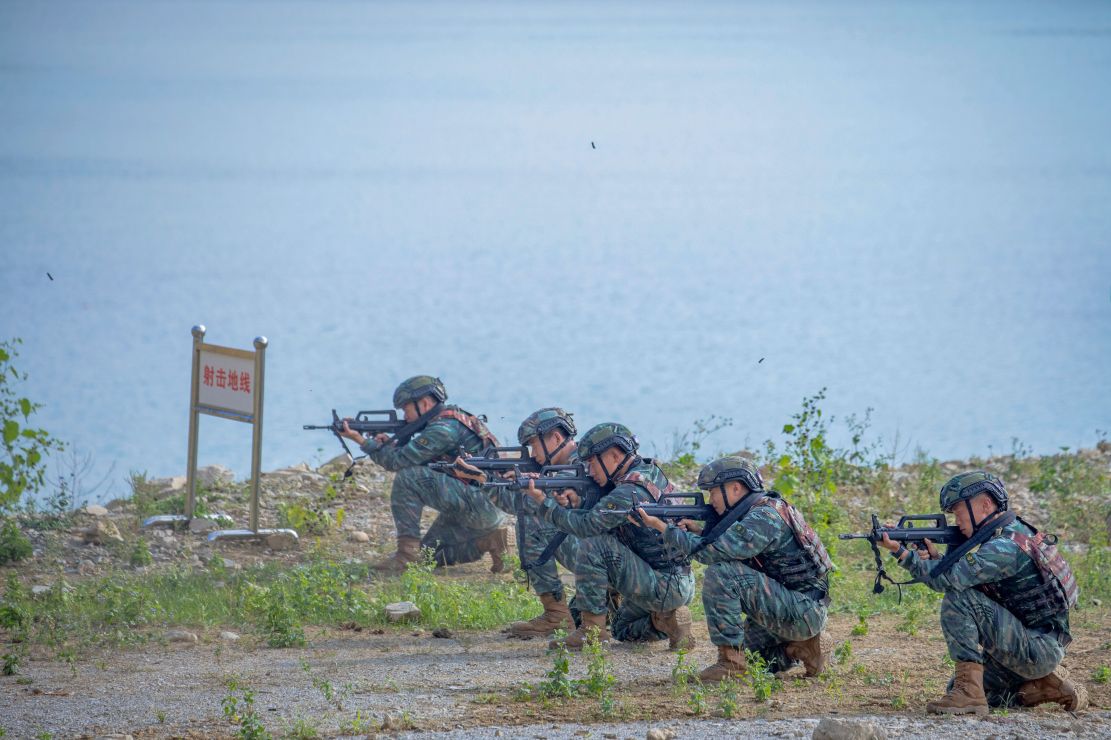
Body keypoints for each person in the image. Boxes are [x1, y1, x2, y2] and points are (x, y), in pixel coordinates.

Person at [879, 471, 1087, 715]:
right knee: (980, 692)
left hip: (1036, 648)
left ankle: (971, 696)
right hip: (1035, 643)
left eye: (958, 510)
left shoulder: (1004, 547)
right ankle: (1043, 684)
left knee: (959, 600)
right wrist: (934, 558)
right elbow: (969, 577)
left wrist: (902, 554)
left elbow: (950, 581)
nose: (956, 519)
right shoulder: (1013, 531)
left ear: (985, 504)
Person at [636, 456, 832, 682]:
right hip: (795, 607)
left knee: (721, 575)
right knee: (754, 657)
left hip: (801, 610)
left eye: (713, 492)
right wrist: (698, 532)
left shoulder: (764, 517)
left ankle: (731, 665)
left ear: (735, 488)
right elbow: (733, 547)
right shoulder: (762, 509)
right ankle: (804, 647)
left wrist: (661, 527)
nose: (711, 500)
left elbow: (711, 553)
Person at [524, 422, 695, 651]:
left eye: (593, 463)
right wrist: (576, 503)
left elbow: (588, 526)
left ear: (614, 455)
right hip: (670, 578)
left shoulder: (629, 490)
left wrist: (543, 504)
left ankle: (591, 633)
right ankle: (670, 621)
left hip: (663, 582)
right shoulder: (644, 474)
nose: (590, 471)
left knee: (594, 544)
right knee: (619, 628)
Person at [339, 375, 508, 574]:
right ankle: (489, 542)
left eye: (406, 408)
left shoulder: (442, 430)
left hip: (480, 503)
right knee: (427, 556)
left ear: (425, 403)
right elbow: (420, 457)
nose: (405, 416)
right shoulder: (451, 419)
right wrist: (388, 445)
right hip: (484, 504)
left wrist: (361, 441)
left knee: (408, 478)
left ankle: (405, 555)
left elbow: (397, 463)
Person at [454, 407, 596, 639]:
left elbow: (529, 506)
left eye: (534, 444)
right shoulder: (581, 460)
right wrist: (492, 478)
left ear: (556, 438)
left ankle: (555, 614)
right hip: (608, 557)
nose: (532, 453)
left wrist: (482, 478)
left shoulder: (577, 467)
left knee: (533, 524)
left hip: (602, 559)